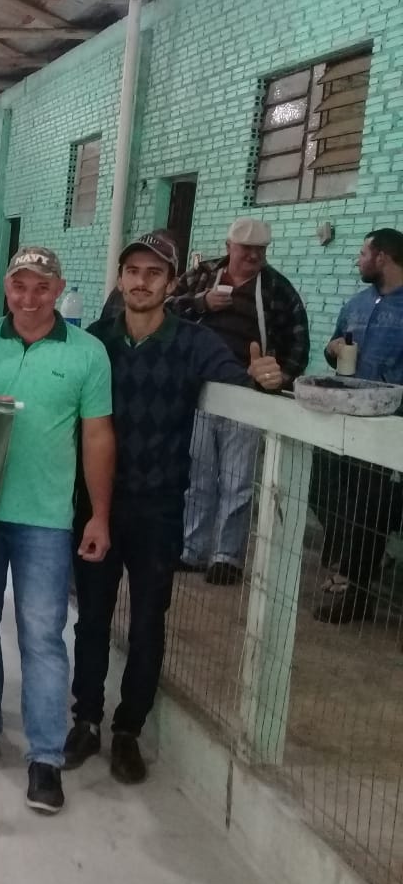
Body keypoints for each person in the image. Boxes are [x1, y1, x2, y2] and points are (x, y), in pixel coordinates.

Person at [64, 232, 269, 784]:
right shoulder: (96, 342)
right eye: (133, 271)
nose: (141, 281)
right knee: (92, 618)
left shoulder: (194, 343)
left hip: (159, 506)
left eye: (154, 273)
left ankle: (128, 731)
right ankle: (86, 719)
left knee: (149, 622)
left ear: (171, 284)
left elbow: (237, 380)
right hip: (96, 504)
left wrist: (263, 378)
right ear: (120, 278)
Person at [0, 245, 115, 815]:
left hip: (46, 519)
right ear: (6, 288)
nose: (29, 298)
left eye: (41, 287)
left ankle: (45, 757)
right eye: (20, 286)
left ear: (58, 289)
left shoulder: (87, 353)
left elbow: (97, 436)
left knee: (41, 635)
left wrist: (99, 514)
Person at [168, 218, 309, 585]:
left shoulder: (277, 289)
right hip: (200, 392)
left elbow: (298, 340)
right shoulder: (202, 277)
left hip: (247, 396)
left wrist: (279, 379)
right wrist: (201, 302)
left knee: (238, 479)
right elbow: (163, 309)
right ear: (229, 246)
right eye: (246, 249)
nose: (253, 256)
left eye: (260, 250)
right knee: (197, 476)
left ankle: (226, 556)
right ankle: (192, 549)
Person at [309, 228, 403, 624]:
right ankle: (351, 570)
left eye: (363, 253)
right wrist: (333, 350)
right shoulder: (356, 305)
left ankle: (358, 593)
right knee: (334, 495)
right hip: (349, 423)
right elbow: (335, 347)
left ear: (382, 257)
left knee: (374, 511)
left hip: (391, 430)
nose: (358, 260)